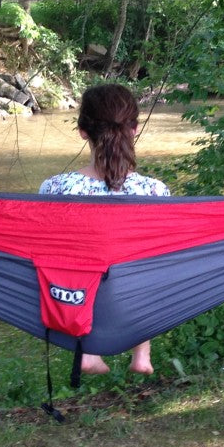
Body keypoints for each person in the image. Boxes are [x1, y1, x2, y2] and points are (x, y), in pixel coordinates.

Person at [39, 82, 169, 375]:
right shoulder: (155, 191)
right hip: (135, 295)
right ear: (133, 129)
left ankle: (89, 350)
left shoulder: (56, 188)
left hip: (77, 296)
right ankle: (142, 354)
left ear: (83, 131)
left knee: (72, 261)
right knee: (149, 263)